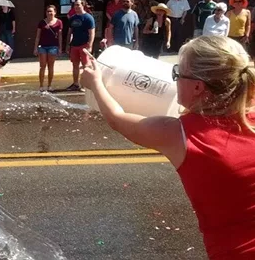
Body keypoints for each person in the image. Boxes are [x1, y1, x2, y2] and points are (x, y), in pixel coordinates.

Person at [80, 35, 255, 260]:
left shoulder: (179, 134)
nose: (174, 79)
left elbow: (117, 119)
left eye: (177, 74)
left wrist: (95, 82)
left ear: (198, 87)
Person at [66, 0, 94, 91]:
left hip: (84, 45)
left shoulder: (88, 18)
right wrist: (67, 45)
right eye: (75, 5)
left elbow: (92, 33)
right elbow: (70, 32)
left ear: (83, 5)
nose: (76, 7)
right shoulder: (73, 18)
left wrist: (90, 45)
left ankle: (85, 85)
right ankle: (75, 84)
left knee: (86, 66)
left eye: (78, 5)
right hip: (74, 45)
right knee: (75, 65)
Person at [34, 5, 63, 92]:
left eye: (51, 11)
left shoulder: (59, 22)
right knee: (42, 66)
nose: (49, 13)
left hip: (53, 46)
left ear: (55, 12)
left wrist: (60, 47)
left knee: (51, 66)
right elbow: (38, 36)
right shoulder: (42, 22)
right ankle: (41, 86)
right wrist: (35, 48)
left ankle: (49, 85)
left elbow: (60, 36)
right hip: (42, 46)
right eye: (48, 11)